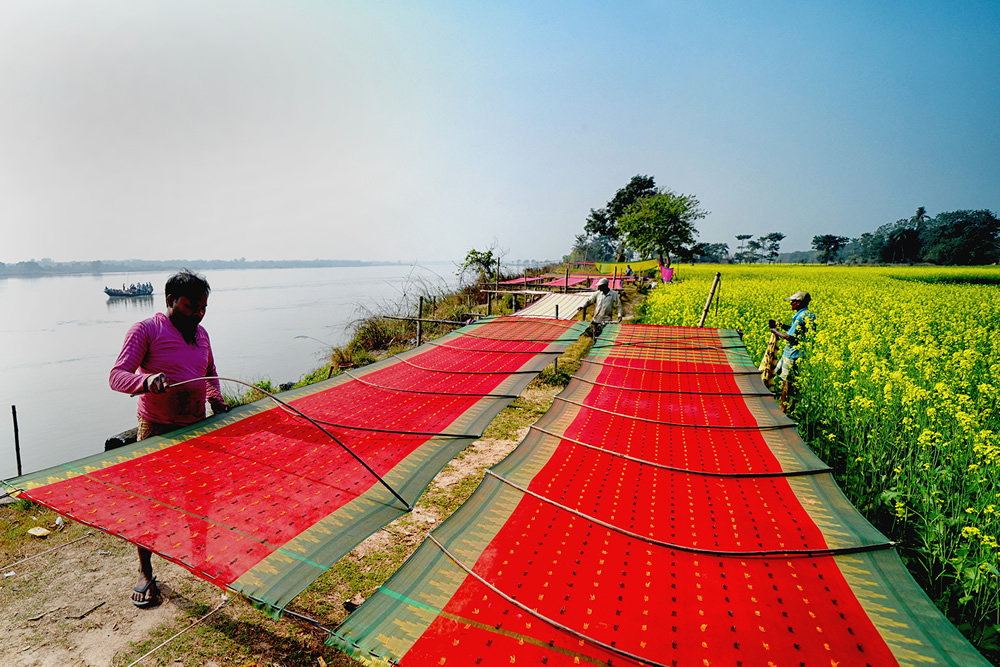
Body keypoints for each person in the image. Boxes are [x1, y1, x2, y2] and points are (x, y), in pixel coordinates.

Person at [109, 269, 230, 608]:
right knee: (153, 505)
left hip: (197, 427)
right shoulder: (146, 330)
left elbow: (209, 373)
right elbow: (116, 376)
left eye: (203, 306)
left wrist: (215, 399)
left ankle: (200, 557)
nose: (199, 313)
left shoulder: (201, 333)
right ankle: (146, 573)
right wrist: (145, 382)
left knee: (200, 497)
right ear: (170, 301)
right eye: (191, 306)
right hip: (157, 429)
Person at [769, 290, 816, 405]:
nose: (791, 304)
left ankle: (785, 407)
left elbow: (790, 336)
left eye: (793, 302)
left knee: (787, 382)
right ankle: (790, 404)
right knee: (791, 380)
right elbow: (797, 331)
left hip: (793, 354)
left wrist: (775, 331)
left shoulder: (800, 317)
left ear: (799, 302)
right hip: (801, 353)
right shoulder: (809, 314)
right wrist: (782, 326)